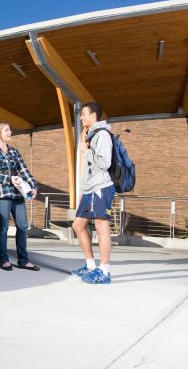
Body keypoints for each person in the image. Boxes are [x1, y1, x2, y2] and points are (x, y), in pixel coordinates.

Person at [0, 121, 40, 272]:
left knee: (22, 226)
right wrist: (9, 179)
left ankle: (23, 260)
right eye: (7, 130)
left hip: (17, 194)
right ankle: (4, 260)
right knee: (3, 227)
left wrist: (33, 185)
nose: (10, 132)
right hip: (1, 193)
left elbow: (24, 170)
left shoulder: (14, 151)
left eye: (10, 130)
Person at [71, 102, 115, 284]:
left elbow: (104, 162)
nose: (81, 117)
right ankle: (90, 266)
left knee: (100, 226)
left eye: (84, 114)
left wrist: (86, 151)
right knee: (78, 225)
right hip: (90, 189)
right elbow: (87, 169)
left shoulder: (103, 135)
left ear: (94, 116)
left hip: (101, 187)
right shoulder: (91, 135)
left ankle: (104, 271)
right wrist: (83, 190)